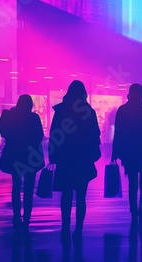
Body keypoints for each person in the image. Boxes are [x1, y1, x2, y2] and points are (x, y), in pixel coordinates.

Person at [49, 80, 101, 237]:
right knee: (81, 195)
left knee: (66, 194)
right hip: (83, 158)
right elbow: (95, 136)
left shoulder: (61, 111)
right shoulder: (88, 112)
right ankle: (79, 227)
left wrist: (53, 155)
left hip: (65, 157)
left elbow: (54, 134)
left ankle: (65, 225)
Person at [112, 84, 142, 224]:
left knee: (132, 183)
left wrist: (116, 152)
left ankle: (133, 210)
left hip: (129, 152)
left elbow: (118, 133)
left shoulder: (123, 110)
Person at [0, 94, 44, 232]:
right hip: (30, 157)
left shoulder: (10, 116)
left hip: (14, 156)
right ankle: (27, 218)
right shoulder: (34, 118)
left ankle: (16, 215)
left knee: (16, 186)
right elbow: (39, 136)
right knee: (29, 189)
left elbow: (4, 132)